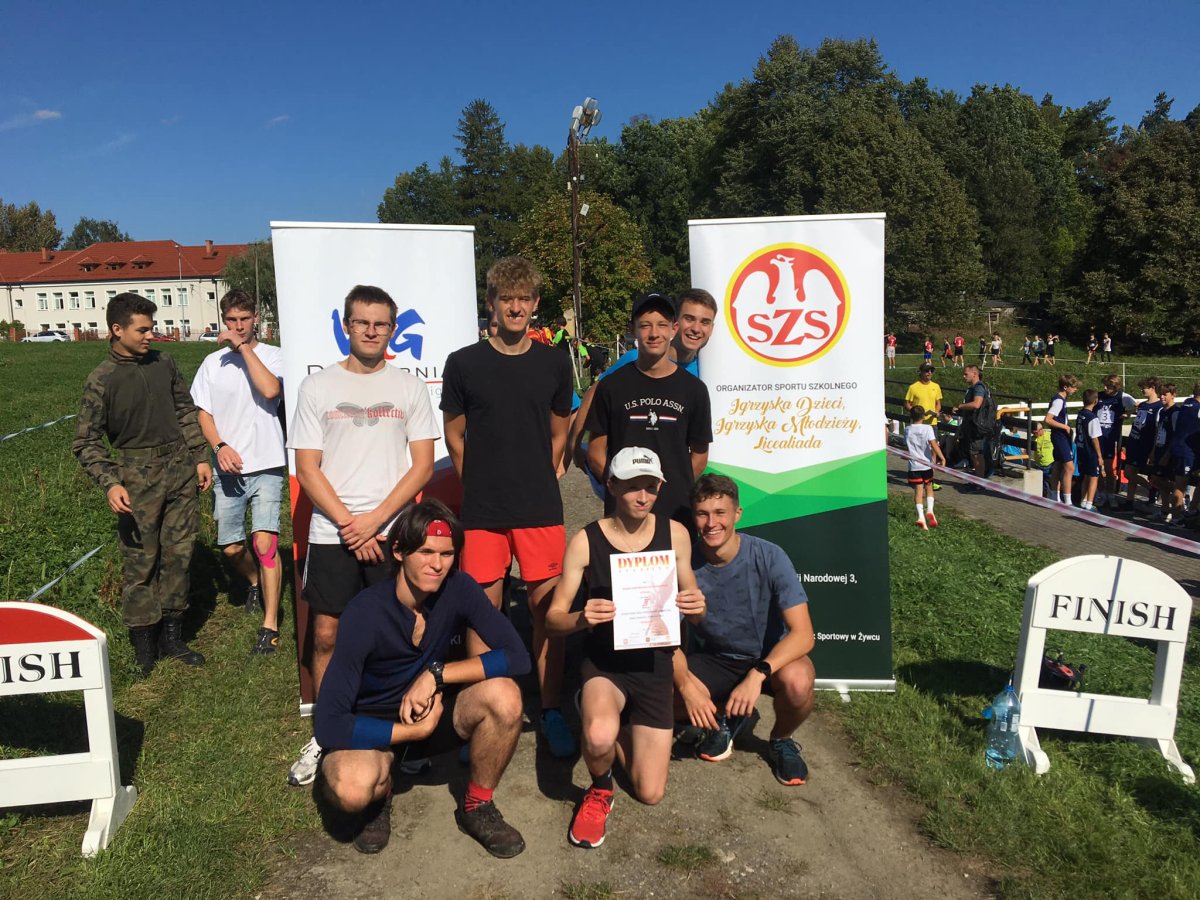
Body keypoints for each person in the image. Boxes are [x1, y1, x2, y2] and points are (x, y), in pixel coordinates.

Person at [314, 499, 531, 857]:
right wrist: (411, 733)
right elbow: (328, 725)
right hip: (377, 728)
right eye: (426, 552)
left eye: (447, 554)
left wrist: (437, 674)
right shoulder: (364, 612)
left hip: (431, 710)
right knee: (351, 791)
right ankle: (380, 793)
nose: (437, 564)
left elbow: (517, 656)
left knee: (505, 695)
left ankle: (477, 806)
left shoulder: (459, 587)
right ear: (398, 551)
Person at [286, 285, 440, 787]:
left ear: (392, 330)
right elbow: (307, 468)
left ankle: (403, 730)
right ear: (346, 326)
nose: (371, 331)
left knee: (399, 633)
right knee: (327, 634)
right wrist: (351, 525)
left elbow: (422, 467)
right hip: (332, 532)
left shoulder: (409, 388)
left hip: (392, 532)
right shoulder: (317, 387)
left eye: (380, 324)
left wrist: (374, 521)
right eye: (361, 322)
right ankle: (328, 732)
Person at [440, 256, 577, 758]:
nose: (516, 307)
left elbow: (560, 432)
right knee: (483, 612)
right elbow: (455, 437)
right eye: (507, 298)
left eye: (524, 299)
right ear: (491, 303)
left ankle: (551, 707)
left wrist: (542, 472)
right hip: (484, 511)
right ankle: (484, 711)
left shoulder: (554, 362)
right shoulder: (464, 363)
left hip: (539, 507)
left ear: (535, 304)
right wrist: (478, 483)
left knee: (547, 609)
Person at [545, 447, 706, 849]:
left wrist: (697, 607)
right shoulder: (586, 541)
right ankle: (600, 788)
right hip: (606, 666)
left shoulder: (676, 534)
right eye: (633, 486)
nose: (642, 496)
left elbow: (696, 612)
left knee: (650, 792)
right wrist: (582, 618)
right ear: (612, 486)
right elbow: (552, 620)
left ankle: (617, 722)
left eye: (650, 486)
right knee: (599, 736)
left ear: (660, 488)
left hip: (655, 665)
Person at [73, 292, 213, 676]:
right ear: (117, 330)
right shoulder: (102, 380)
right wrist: (110, 482)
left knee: (179, 554)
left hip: (180, 469)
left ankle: (173, 636)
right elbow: (85, 441)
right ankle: (144, 647)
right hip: (137, 476)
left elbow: (185, 410)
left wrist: (200, 457)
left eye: (152, 328)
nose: (151, 335)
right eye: (143, 330)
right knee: (141, 561)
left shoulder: (164, 363)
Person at [678, 474, 816, 784]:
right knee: (665, 691)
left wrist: (758, 674)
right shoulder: (684, 564)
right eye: (702, 514)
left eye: (720, 513)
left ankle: (781, 740)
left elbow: (804, 634)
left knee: (798, 682)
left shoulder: (769, 555)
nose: (711, 523)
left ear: (737, 514)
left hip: (771, 657)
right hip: (718, 658)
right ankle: (724, 718)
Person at [190, 290, 285, 654]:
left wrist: (243, 348)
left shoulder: (274, 356)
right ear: (223, 320)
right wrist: (219, 447)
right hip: (227, 467)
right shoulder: (212, 363)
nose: (239, 326)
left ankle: (269, 624)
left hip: (267, 463)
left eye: (245, 319)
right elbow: (203, 413)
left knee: (265, 544)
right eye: (232, 320)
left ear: (256, 318)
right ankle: (256, 582)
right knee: (231, 548)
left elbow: (271, 390)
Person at [585, 293, 712, 527]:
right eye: (645, 325)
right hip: (623, 515)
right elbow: (595, 452)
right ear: (632, 329)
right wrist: (623, 488)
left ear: (674, 329)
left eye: (662, 325)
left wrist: (672, 488)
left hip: (676, 513)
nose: (654, 333)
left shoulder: (694, 390)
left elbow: (700, 456)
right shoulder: (612, 386)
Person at [569, 288, 716, 479]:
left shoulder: (707, 372)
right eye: (689, 319)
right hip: (629, 477)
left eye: (705, 322)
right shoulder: (635, 358)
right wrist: (575, 443)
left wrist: (679, 485)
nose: (696, 328)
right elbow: (595, 393)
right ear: (676, 323)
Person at [1118, 377, 1162, 510]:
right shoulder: (1142, 405)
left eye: (1144, 388)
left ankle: (1152, 488)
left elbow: (1158, 430)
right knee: (1131, 473)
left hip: (1144, 445)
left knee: (1129, 473)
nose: (1142, 390)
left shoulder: (1159, 407)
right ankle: (1129, 500)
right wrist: (1127, 414)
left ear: (1153, 388)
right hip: (1133, 442)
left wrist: (1153, 450)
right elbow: (1134, 416)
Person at [1093, 374, 1136, 509]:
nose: (1105, 388)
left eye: (1109, 386)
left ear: (1115, 387)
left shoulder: (1122, 397)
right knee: (1098, 467)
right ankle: (1101, 493)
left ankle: (1110, 494)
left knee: (1110, 467)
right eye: (1105, 386)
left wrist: (1128, 414)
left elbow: (1136, 406)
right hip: (1098, 437)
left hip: (1111, 438)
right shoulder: (1099, 396)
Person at [949, 365, 993, 490]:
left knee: (977, 453)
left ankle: (980, 483)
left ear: (974, 374)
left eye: (966, 374)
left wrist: (961, 406)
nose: (964, 376)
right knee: (974, 453)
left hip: (977, 426)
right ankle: (977, 480)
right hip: (973, 425)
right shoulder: (974, 388)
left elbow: (976, 404)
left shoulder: (978, 387)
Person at [904, 406, 946, 529]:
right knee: (929, 487)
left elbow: (906, 445)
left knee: (918, 491)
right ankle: (930, 510)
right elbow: (933, 444)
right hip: (926, 464)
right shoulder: (928, 428)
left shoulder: (907, 429)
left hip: (914, 465)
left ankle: (921, 517)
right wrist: (942, 458)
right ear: (924, 416)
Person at [904, 364, 943, 492]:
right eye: (926, 370)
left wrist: (937, 412)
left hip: (932, 423)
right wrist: (916, 413)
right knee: (918, 449)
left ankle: (931, 479)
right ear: (920, 372)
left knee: (933, 450)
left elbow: (938, 403)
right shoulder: (913, 387)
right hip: (918, 423)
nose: (929, 372)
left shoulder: (936, 386)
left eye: (931, 370)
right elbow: (907, 403)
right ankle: (916, 477)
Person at [1045, 374, 1079, 505]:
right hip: (1060, 436)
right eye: (1073, 387)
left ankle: (1054, 495)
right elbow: (1048, 419)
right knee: (1069, 467)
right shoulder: (1058, 401)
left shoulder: (1061, 400)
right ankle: (1068, 500)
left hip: (1060, 436)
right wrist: (1065, 427)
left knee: (1058, 465)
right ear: (1065, 387)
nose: (1075, 389)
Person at [1074, 389, 1103, 511]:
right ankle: (1090, 503)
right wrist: (1099, 456)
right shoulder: (1092, 418)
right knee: (1093, 477)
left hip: (1081, 449)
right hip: (1090, 452)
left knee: (1085, 475)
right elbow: (1094, 439)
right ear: (1095, 401)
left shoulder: (1080, 414)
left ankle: (1083, 500)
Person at [1031, 422, 1055, 498]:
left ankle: (1051, 498)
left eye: (1036, 432)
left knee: (1050, 483)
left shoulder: (1050, 436)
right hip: (1038, 465)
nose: (1035, 434)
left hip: (1050, 464)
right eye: (1033, 433)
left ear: (1041, 430)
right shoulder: (1032, 438)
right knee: (1043, 485)